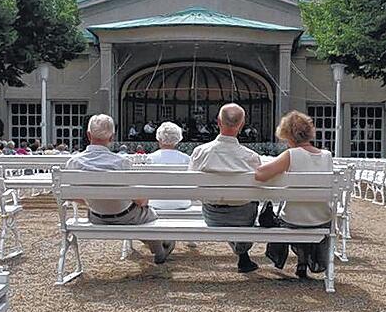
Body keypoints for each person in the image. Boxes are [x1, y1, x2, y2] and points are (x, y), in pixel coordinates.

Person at [65, 114, 174, 263]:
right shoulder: (121, 162)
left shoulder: (74, 162)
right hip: (126, 215)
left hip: (97, 216)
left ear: (88, 135)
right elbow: (140, 200)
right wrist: (143, 201)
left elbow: (70, 195)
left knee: (138, 214)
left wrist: (92, 201)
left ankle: (160, 247)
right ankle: (159, 250)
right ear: (112, 137)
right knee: (147, 214)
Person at [255, 111, 333, 279]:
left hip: (294, 219)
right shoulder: (327, 156)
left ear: (287, 135)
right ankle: (303, 261)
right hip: (322, 218)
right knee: (302, 210)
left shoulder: (290, 155)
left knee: (281, 217)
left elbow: (260, 174)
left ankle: (282, 260)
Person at [188, 103, 261, 273]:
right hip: (243, 217)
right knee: (250, 203)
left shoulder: (200, 152)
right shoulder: (251, 157)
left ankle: (243, 254)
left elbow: (192, 185)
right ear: (242, 125)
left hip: (212, 216)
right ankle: (243, 253)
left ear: (218, 122)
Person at [148, 122, 192, 210]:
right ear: (177, 140)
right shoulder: (186, 159)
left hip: (155, 203)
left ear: (159, 139)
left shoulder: (149, 158)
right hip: (182, 202)